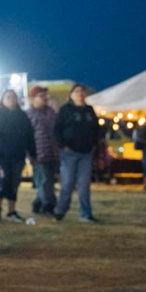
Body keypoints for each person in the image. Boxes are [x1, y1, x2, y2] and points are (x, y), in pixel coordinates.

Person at [0, 90, 36, 222]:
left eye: (13, 97)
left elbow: (29, 136)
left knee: (14, 183)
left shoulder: (22, 116)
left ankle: (11, 211)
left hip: (17, 156)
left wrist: (32, 154)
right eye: (8, 97)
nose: (11, 99)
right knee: (2, 180)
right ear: (2, 99)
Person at [53, 83, 103, 222]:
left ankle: (86, 213)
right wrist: (63, 145)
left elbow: (97, 129)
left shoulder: (89, 110)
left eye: (82, 91)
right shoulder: (65, 110)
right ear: (71, 95)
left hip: (86, 153)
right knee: (67, 183)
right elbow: (56, 130)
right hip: (69, 152)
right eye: (77, 91)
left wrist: (94, 144)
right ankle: (60, 210)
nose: (80, 94)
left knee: (84, 185)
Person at [25, 85, 59, 215]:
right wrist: (29, 154)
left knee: (48, 180)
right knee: (44, 181)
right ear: (33, 98)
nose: (45, 98)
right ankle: (48, 206)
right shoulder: (29, 115)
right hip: (38, 154)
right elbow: (27, 136)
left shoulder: (51, 112)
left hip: (53, 153)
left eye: (46, 96)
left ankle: (38, 202)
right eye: (41, 96)